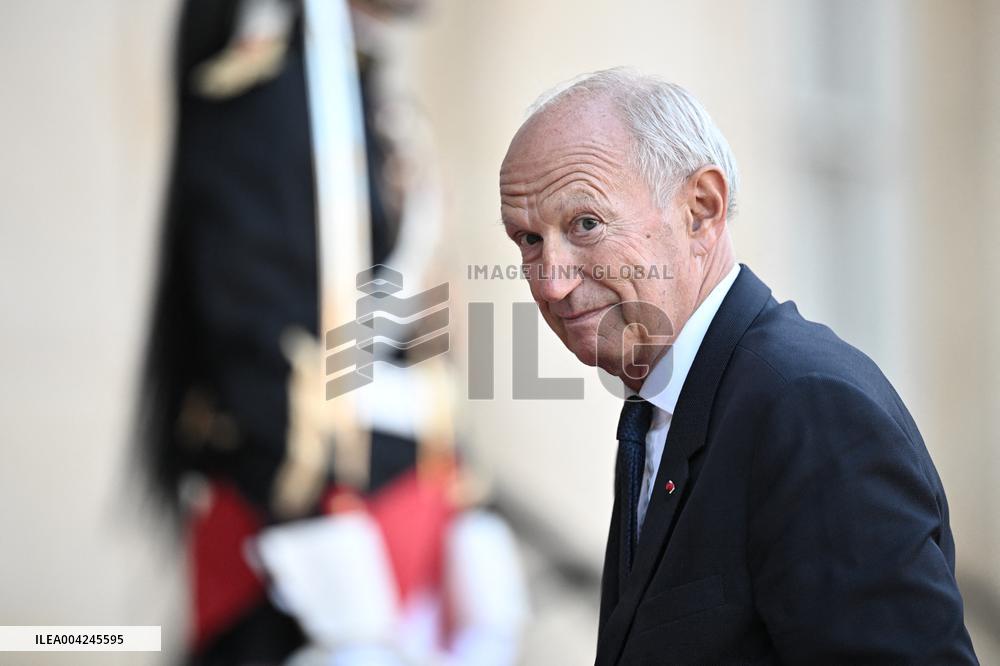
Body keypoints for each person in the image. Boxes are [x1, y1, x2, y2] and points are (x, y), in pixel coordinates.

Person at [499, 68, 978, 665]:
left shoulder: (809, 407)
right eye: (528, 240)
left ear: (701, 209)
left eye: (586, 225)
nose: (551, 281)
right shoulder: (671, 402)